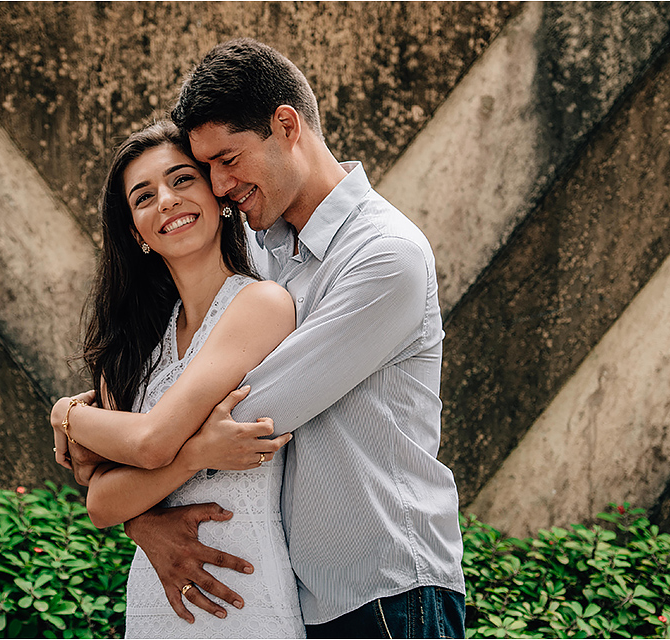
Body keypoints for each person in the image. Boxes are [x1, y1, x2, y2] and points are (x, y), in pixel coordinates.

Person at [81, 38, 467, 638]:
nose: (220, 184)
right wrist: (141, 517)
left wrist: (78, 426)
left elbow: (238, 420)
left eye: (227, 159)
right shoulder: (263, 253)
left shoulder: (384, 256)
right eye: (207, 167)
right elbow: (180, 433)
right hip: (295, 594)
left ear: (286, 126)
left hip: (387, 589)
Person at [50, 120, 305, 638]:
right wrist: (196, 455)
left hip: (244, 594)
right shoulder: (138, 343)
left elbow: (150, 442)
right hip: (159, 599)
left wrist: (65, 415)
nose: (166, 200)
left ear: (218, 196)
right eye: (144, 197)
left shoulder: (260, 303)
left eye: (182, 180)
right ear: (134, 232)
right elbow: (100, 502)